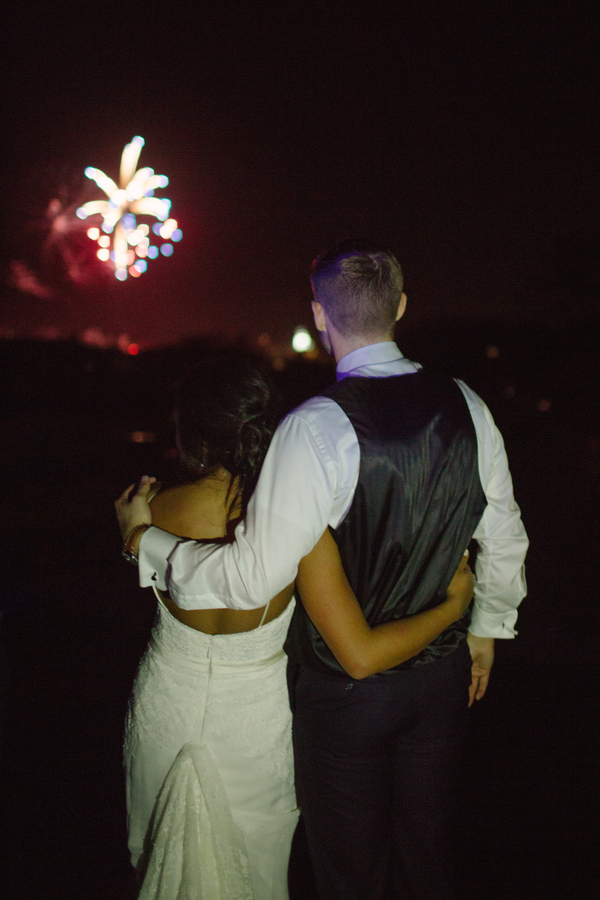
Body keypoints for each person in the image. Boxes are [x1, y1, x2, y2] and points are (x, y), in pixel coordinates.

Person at [117, 240, 528, 899]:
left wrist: (148, 543)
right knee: (429, 857)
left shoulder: (312, 428)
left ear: (318, 314)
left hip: (345, 695)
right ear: (400, 306)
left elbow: (251, 576)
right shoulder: (468, 404)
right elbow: (504, 531)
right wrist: (486, 629)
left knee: (350, 873)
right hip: (442, 678)